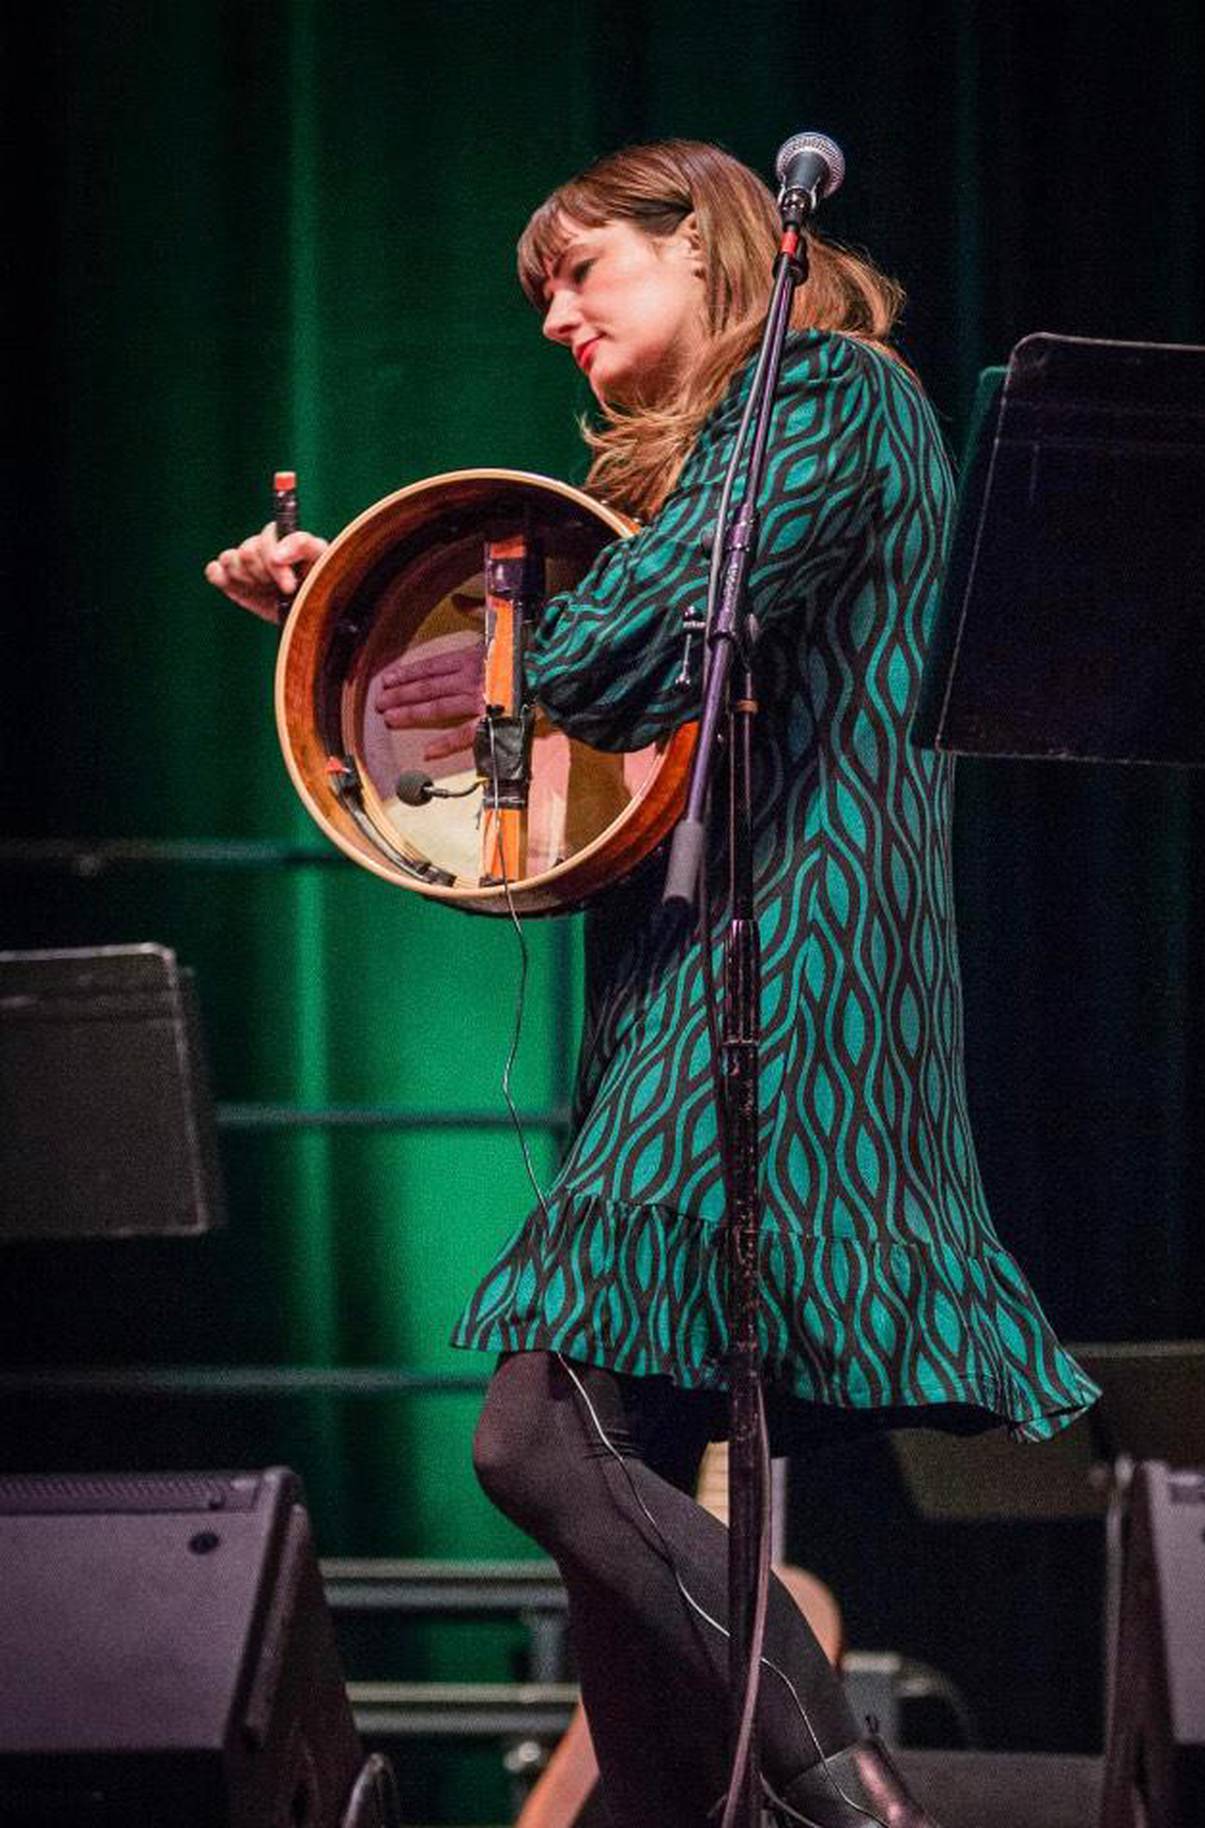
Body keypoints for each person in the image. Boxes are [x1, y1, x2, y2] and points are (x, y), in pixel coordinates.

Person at [207, 139, 1099, 1828]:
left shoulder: (827, 394)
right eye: (541, 290)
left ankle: (859, 1810)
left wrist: (414, 629)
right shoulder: (738, 457)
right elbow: (584, 725)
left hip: (791, 997)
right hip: (700, 998)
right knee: (624, 1588)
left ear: (707, 242)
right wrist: (336, 613)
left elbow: (617, 659)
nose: (552, 315)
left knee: (537, 1440)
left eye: (581, 270)